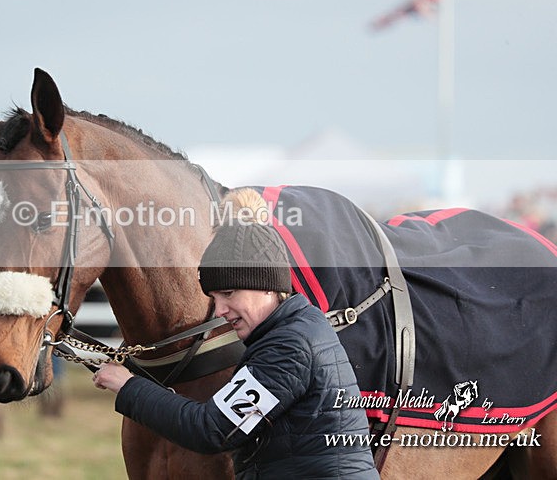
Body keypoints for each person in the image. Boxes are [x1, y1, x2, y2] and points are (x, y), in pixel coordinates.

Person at [93, 190, 379, 479]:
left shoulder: (289, 348)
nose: (220, 310)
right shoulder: (292, 331)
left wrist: (128, 386)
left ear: (267, 285)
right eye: (215, 298)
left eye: (229, 294)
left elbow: (211, 429)